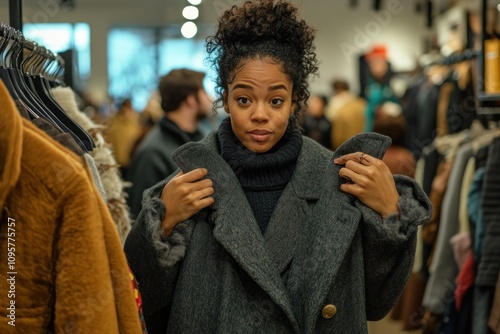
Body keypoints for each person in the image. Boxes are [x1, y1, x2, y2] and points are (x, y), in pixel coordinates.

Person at [124, 1, 432, 333]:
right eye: (244, 99)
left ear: (295, 100)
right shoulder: (191, 183)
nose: (259, 114)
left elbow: (378, 302)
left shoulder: (340, 183)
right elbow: (139, 299)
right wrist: (163, 223)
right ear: (224, 98)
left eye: (275, 100)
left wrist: (390, 217)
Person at [126, 68, 212, 219]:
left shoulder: (202, 139)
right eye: (204, 92)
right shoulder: (152, 153)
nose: (210, 98)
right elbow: (142, 221)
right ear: (191, 100)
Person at [363, 44, 399, 132]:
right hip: (371, 128)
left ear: (385, 64)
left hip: (389, 130)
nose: (374, 67)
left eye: (377, 62)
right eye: (372, 63)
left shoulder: (395, 83)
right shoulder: (370, 83)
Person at [326, 78, 367, 149]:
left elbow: (337, 138)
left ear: (335, 90)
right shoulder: (362, 103)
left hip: (345, 149)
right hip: (365, 146)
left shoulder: (337, 106)